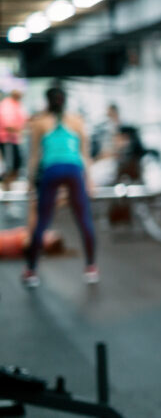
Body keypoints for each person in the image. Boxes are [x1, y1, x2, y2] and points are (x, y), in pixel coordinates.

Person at [22, 84, 98, 287]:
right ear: (65, 101)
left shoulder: (39, 122)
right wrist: (89, 181)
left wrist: (30, 183)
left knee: (42, 221)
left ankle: (31, 272)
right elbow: (85, 155)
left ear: (47, 101)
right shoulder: (77, 121)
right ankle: (91, 268)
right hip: (74, 171)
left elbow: (34, 157)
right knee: (84, 219)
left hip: (51, 171)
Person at [0, 86, 28, 191]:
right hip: (7, 140)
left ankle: (8, 188)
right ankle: (6, 188)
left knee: (17, 165)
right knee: (9, 166)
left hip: (15, 139)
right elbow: (8, 124)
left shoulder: (17, 104)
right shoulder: (7, 105)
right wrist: (21, 131)